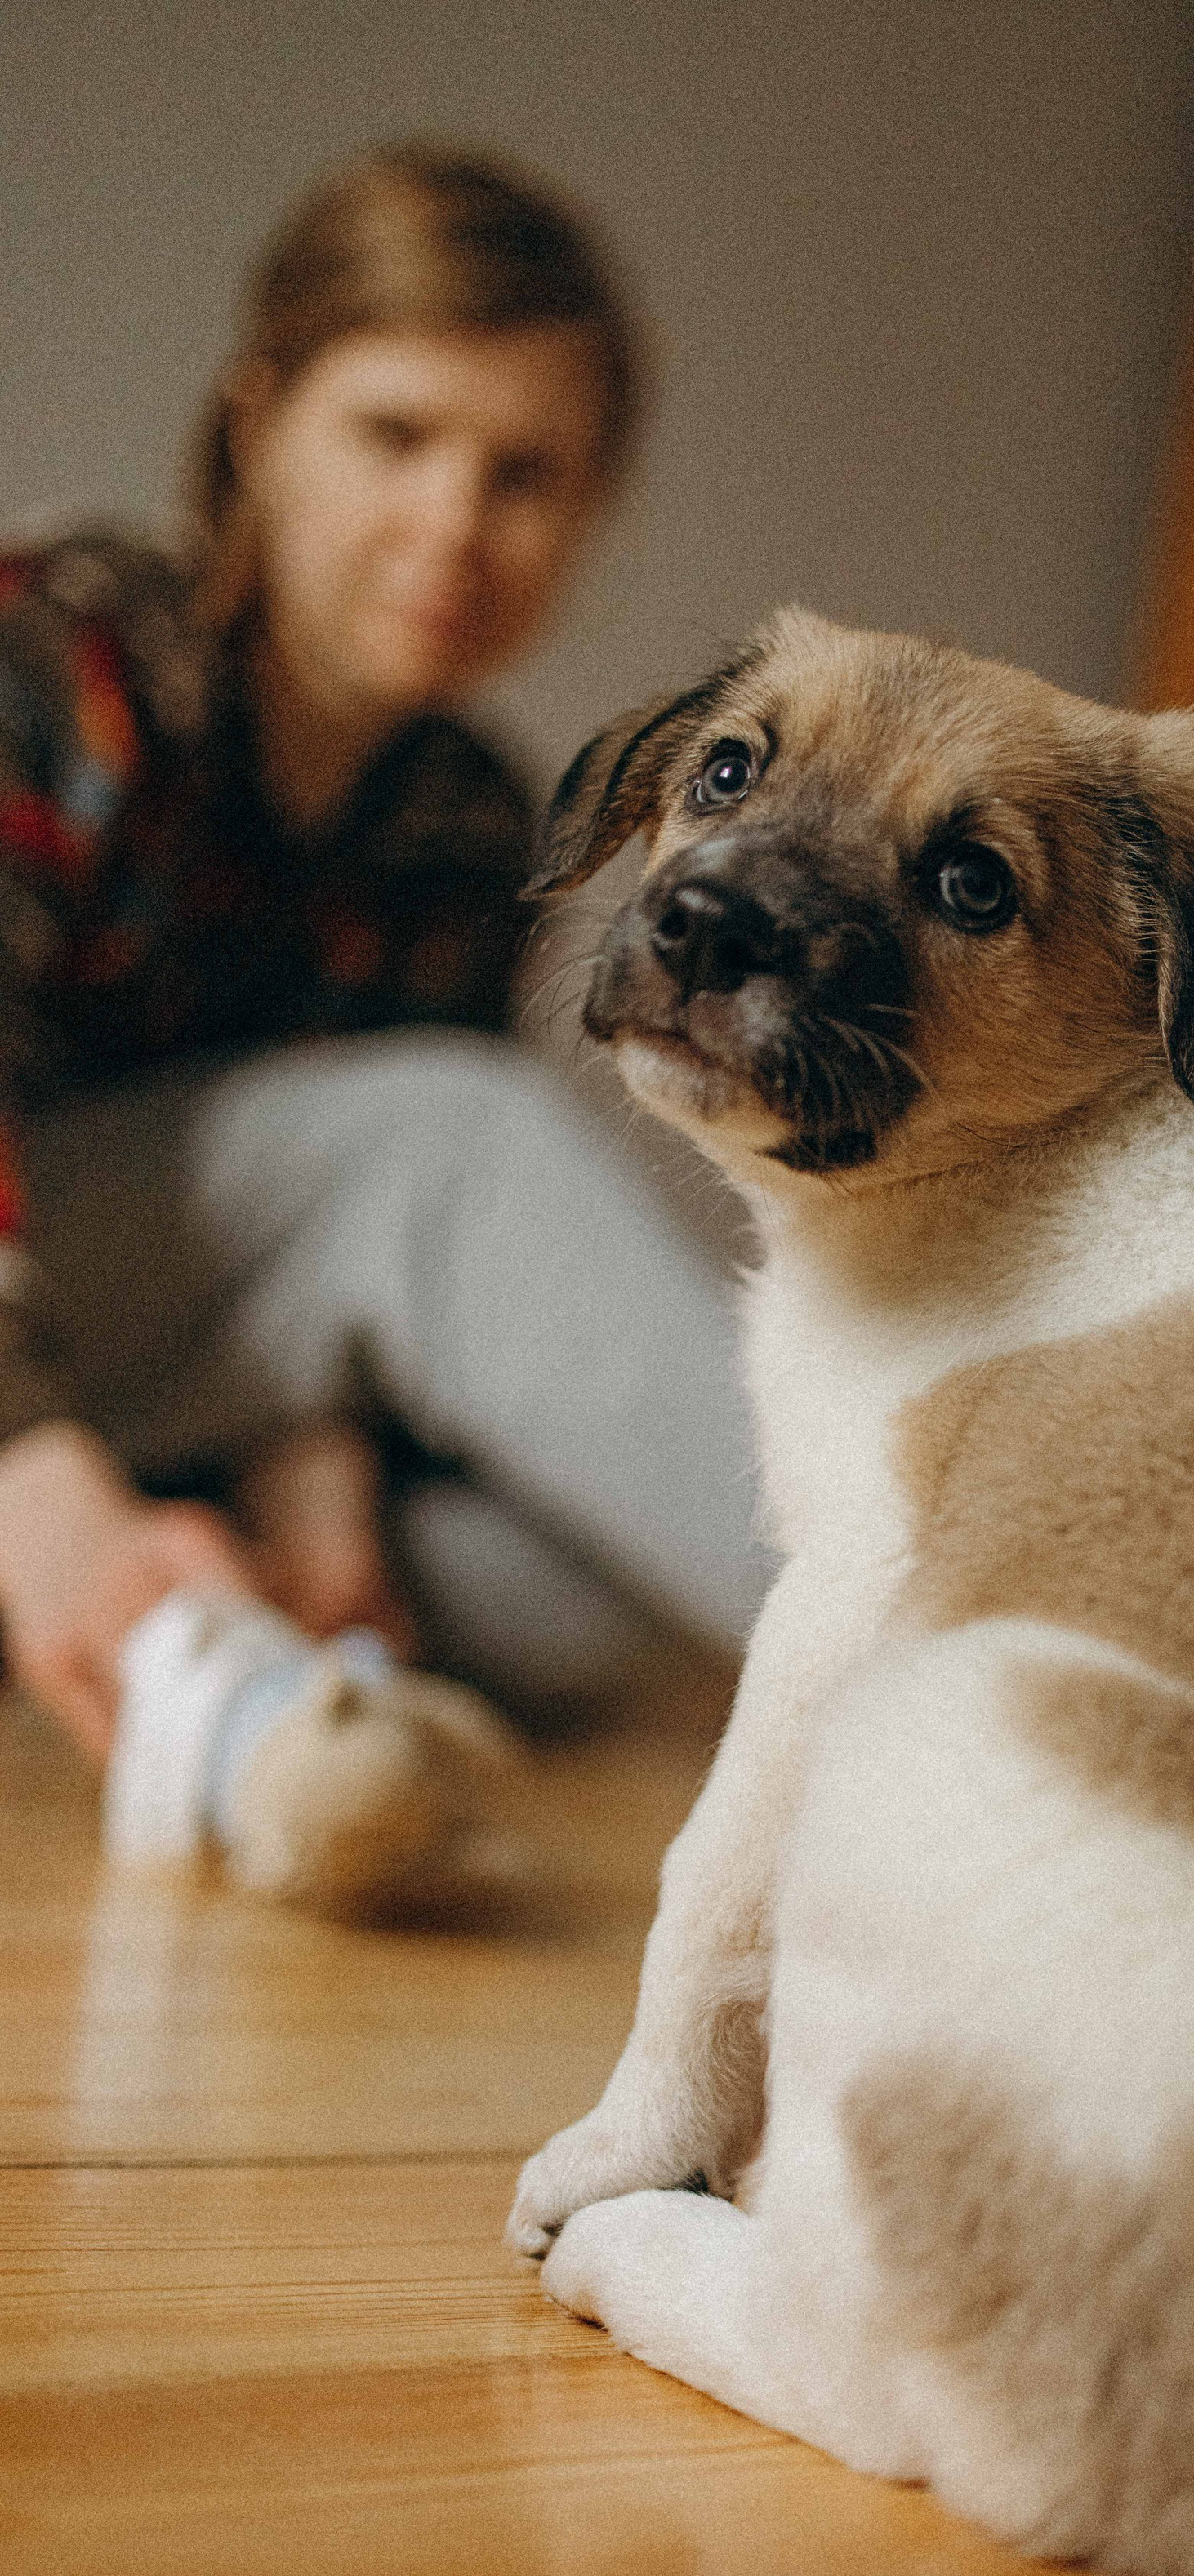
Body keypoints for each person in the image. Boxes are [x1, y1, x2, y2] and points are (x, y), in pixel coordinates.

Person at [0, 145, 769, 1902]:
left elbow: (303, 1289)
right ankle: (1022, 1684)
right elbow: (365, 1195)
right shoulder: (55, 661)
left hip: (152, 1391)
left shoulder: (462, 820)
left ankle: (218, 1646)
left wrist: (324, 1508)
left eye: (525, 474)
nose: (453, 527)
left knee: (563, 1595)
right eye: (394, 436)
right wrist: (38, 1488)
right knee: (448, 1138)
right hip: (25, 1368)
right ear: (258, 419)